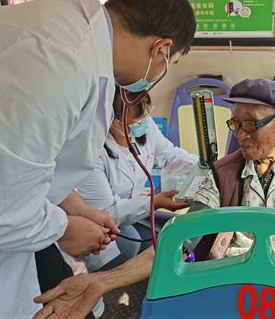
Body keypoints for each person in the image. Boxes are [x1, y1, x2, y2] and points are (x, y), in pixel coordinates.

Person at [33, 80, 275, 319]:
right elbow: (182, 242)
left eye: (251, 125)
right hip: (230, 280)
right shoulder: (223, 173)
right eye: (235, 124)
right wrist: (102, 281)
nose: (240, 135)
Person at [0, 0, 196, 318]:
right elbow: (4, 208)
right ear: (160, 49)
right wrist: (66, 228)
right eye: (169, 65)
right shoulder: (61, 64)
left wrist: (77, 209)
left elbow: (35, 165)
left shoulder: (75, 37)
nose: (158, 76)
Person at [77, 87, 198, 272]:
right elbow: (107, 213)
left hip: (130, 213)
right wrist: (154, 202)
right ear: (110, 121)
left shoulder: (145, 126)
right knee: (129, 244)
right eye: (136, 121)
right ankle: (104, 278)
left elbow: (168, 154)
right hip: (97, 221)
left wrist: (206, 166)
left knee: (160, 238)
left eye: (146, 115)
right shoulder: (91, 154)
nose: (144, 124)